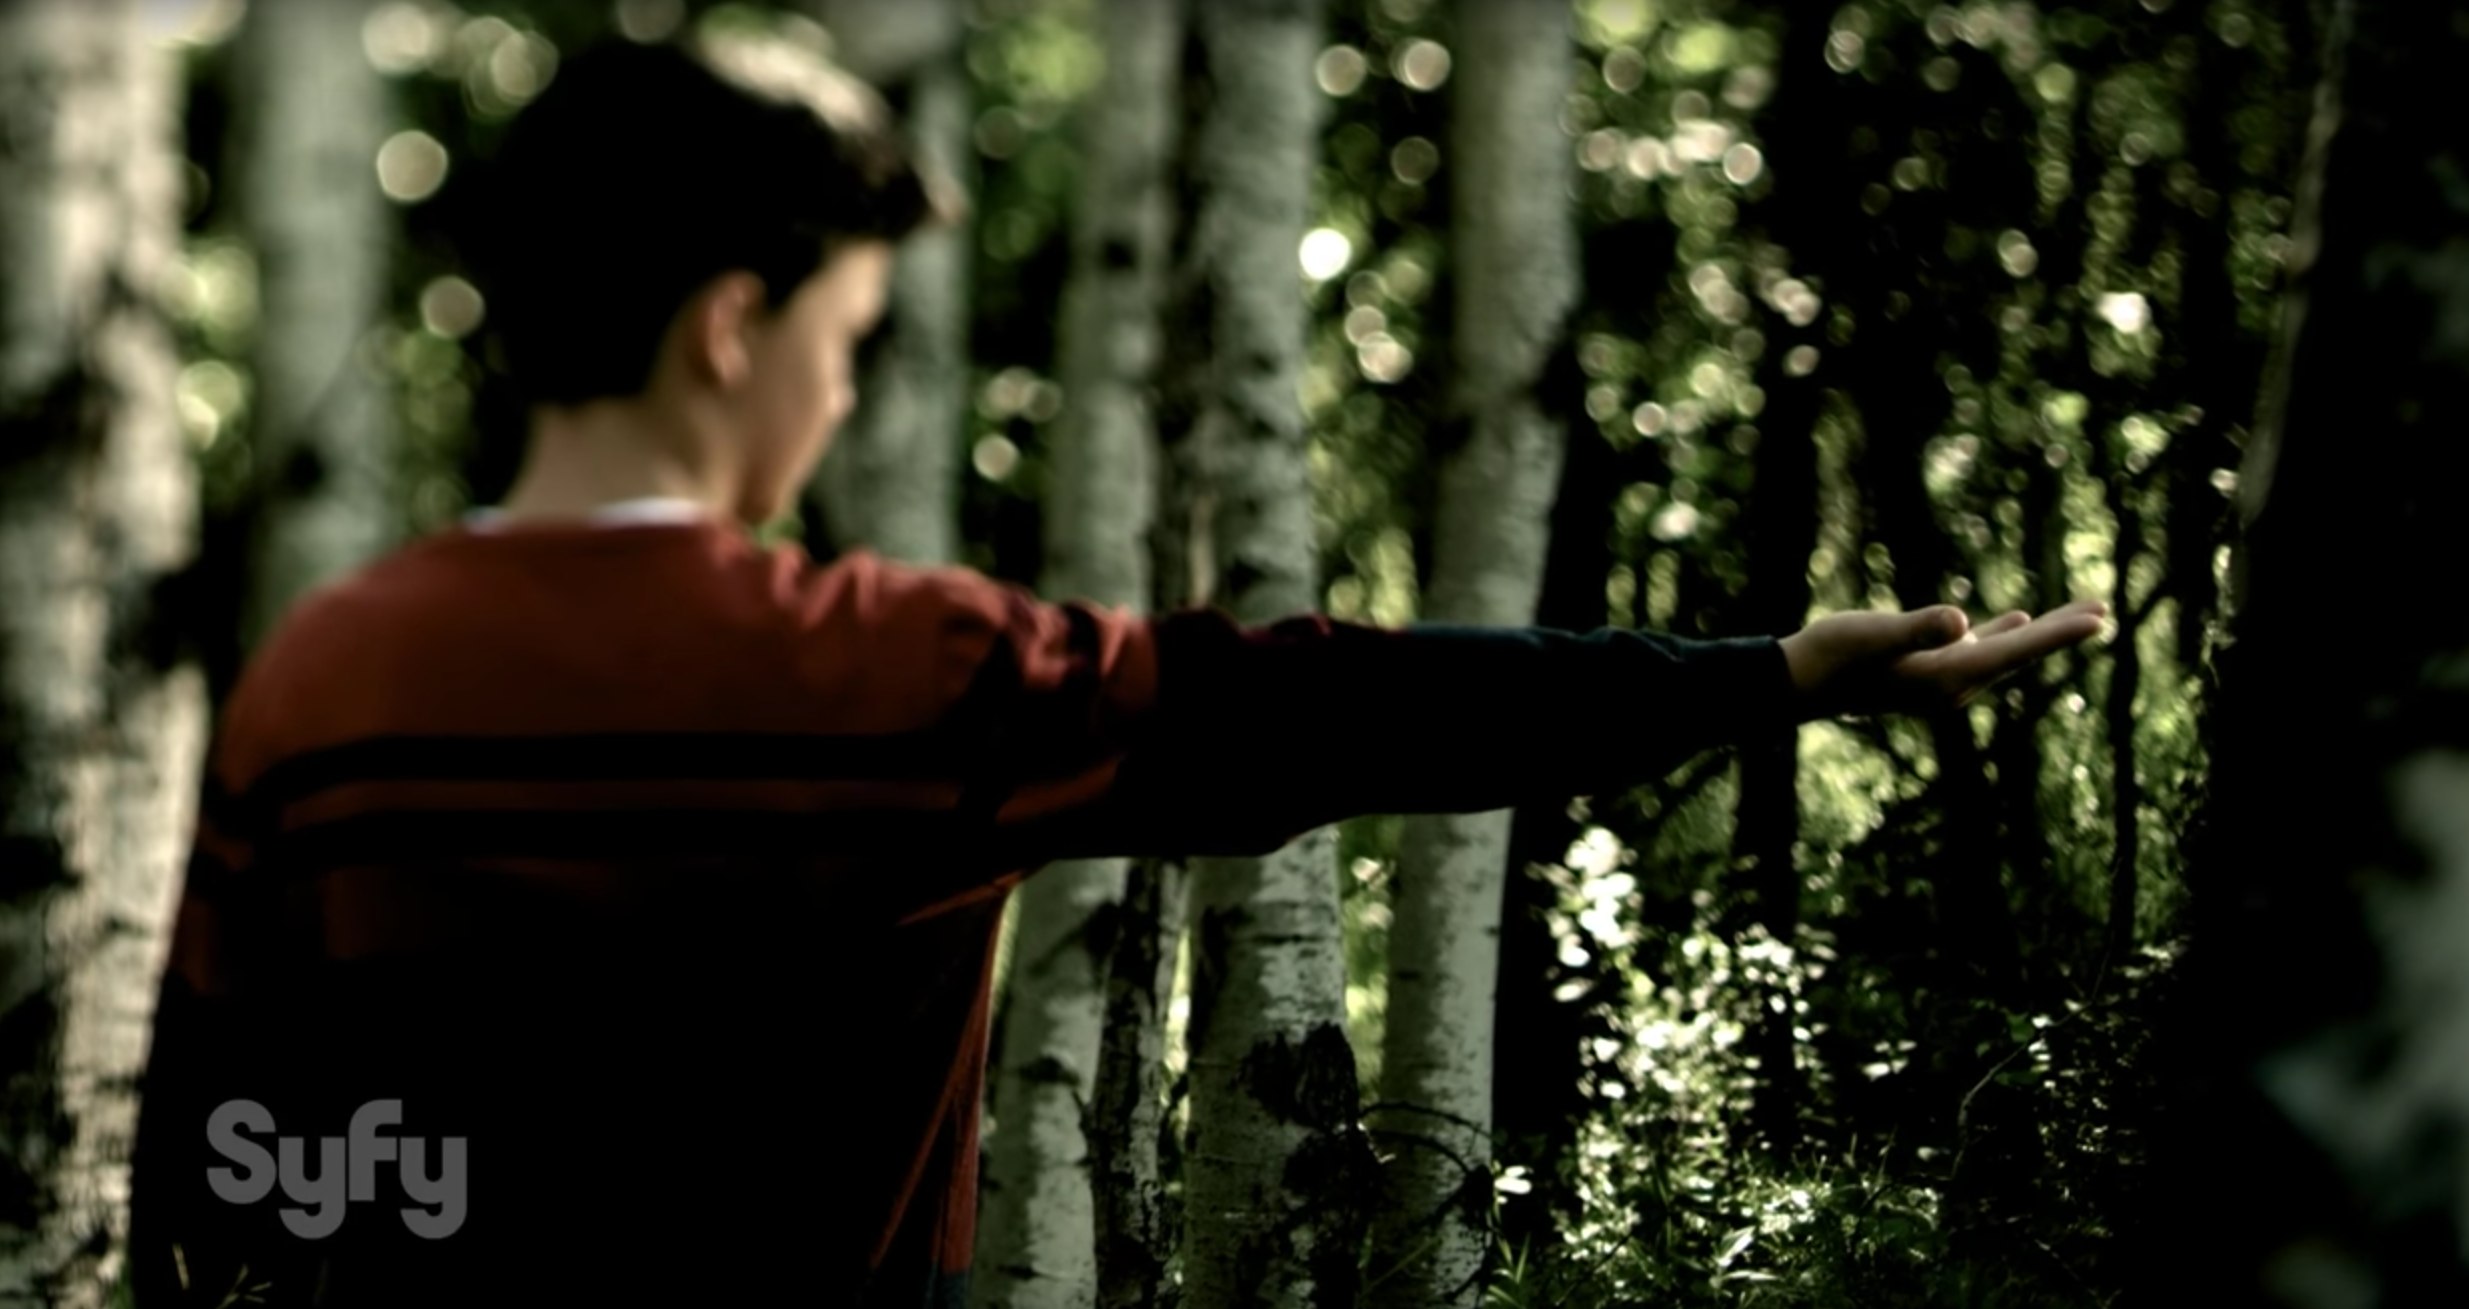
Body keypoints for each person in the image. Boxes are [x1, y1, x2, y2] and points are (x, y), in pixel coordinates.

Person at [125, 28, 2108, 1309]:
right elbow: (1337, 704)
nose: (839, 394)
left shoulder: (323, 678)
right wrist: (1770, 677)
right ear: (729, 329)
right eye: (843, 340)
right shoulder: (891, 674)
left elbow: (220, 1160)